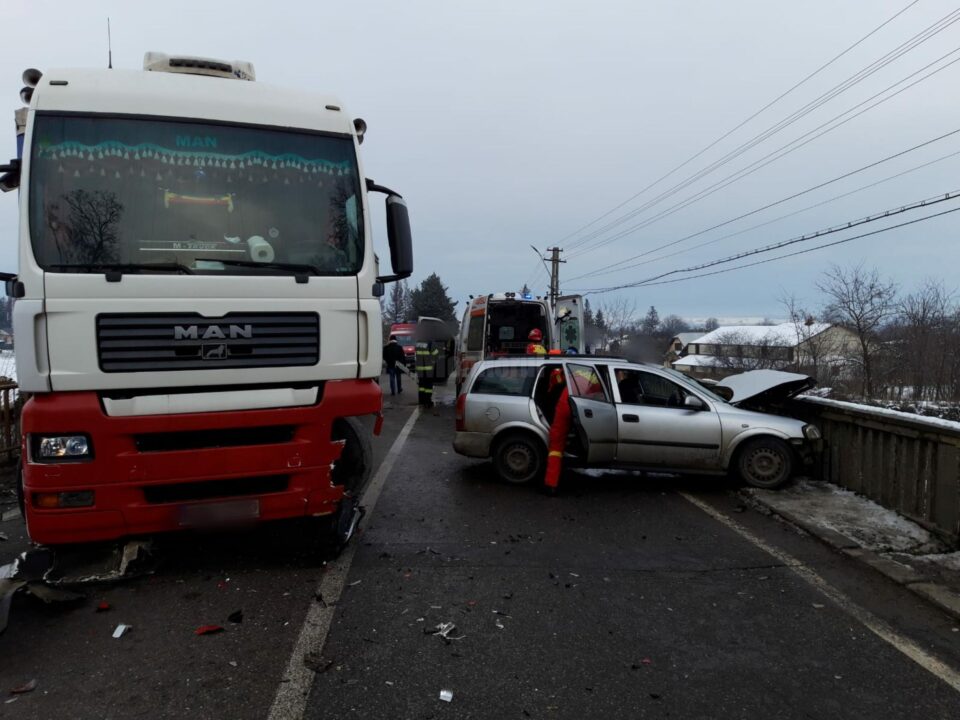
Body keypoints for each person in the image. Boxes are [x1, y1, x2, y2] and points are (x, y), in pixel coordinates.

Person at [544, 367, 571, 494]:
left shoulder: (557, 373)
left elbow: (552, 391)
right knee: (556, 449)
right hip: (574, 403)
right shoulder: (585, 372)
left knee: (555, 449)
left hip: (563, 406)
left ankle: (551, 485)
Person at [416, 339, 439, 407]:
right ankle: (427, 401)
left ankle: (421, 401)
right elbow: (436, 354)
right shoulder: (430, 342)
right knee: (428, 386)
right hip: (428, 369)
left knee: (421, 386)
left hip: (420, 369)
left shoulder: (418, 343)